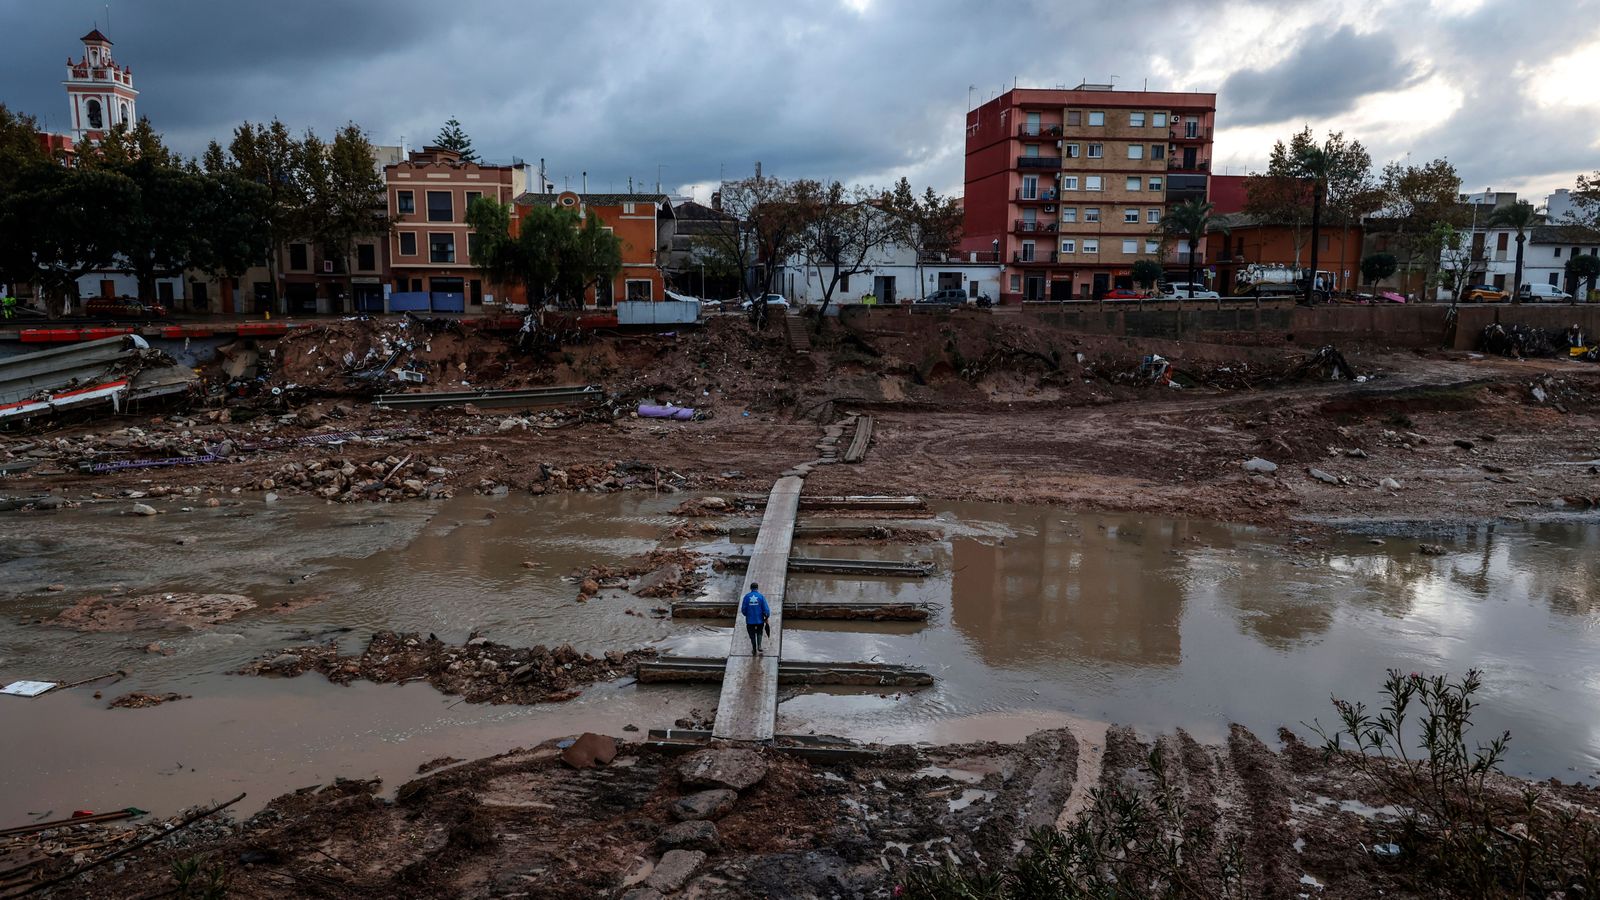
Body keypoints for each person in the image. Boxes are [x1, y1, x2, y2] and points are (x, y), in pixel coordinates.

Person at [740, 581, 770, 655]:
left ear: (750, 588)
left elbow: (743, 609)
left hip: (750, 620)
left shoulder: (746, 597)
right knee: (759, 632)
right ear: (757, 588)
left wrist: (746, 615)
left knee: (752, 634)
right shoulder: (761, 596)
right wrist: (767, 616)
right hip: (760, 620)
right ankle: (759, 646)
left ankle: (754, 648)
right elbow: (766, 609)